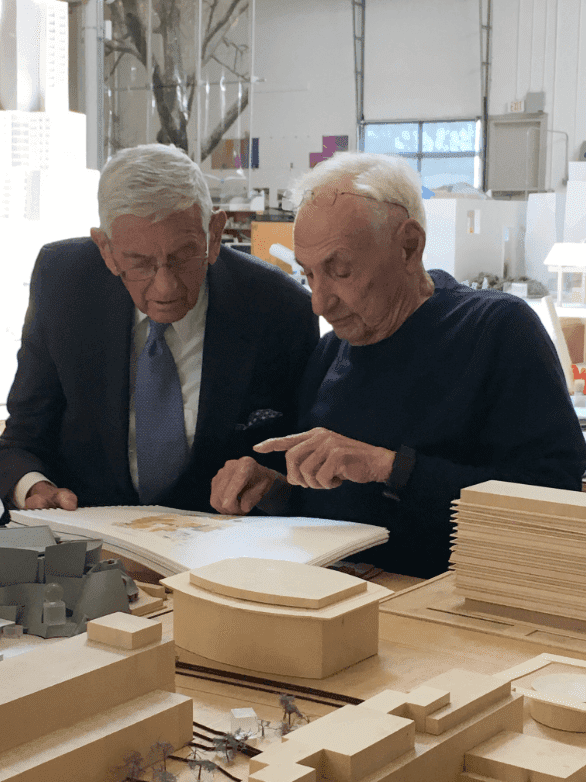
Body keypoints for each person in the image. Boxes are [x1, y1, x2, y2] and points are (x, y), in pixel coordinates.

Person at [210, 151, 586, 578]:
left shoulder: (497, 330)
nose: (319, 301)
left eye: (340, 270)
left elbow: (555, 497)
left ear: (409, 246)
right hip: (344, 602)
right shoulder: (331, 353)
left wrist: (391, 468)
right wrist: (271, 489)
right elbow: (326, 506)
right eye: (310, 275)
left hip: (455, 606)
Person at [0, 143, 318, 515]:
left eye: (183, 255)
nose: (165, 287)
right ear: (106, 249)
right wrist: (34, 487)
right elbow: (23, 437)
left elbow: (303, 464)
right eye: (139, 263)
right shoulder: (64, 283)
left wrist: (272, 483)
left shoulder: (281, 307)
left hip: (225, 547)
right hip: (91, 540)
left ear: (214, 234)